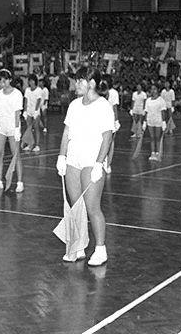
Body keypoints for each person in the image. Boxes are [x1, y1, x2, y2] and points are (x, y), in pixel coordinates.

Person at [56, 66, 114, 266]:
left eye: (79, 80)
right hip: (73, 159)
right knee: (75, 207)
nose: (75, 84)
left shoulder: (103, 106)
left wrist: (99, 163)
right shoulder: (74, 105)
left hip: (91, 160)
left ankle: (100, 249)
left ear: (91, 83)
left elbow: (107, 137)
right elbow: (67, 132)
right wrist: (62, 157)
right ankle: (78, 246)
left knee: (92, 207)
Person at [0, 69, 24, 192]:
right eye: (0, 81)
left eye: (5, 80)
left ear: (10, 80)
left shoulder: (17, 94)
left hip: (13, 127)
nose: (3, 84)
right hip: (0, 127)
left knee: (15, 156)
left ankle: (19, 182)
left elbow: (17, 113)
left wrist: (17, 129)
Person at [144, 85, 168, 161]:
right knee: (152, 138)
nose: (153, 91)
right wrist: (144, 122)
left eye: (154, 89)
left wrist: (164, 122)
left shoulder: (161, 100)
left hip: (158, 121)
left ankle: (158, 153)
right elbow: (146, 111)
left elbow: (163, 112)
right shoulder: (148, 100)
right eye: (151, 89)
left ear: (158, 90)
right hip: (150, 121)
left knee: (157, 138)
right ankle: (153, 153)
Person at [22, 74, 42, 152]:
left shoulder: (38, 90)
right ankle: (30, 144)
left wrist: (36, 111)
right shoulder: (27, 90)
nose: (30, 82)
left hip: (35, 111)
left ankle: (37, 145)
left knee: (36, 128)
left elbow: (39, 100)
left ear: (35, 81)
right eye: (29, 81)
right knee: (29, 128)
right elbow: (26, 100)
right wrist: (25, 111)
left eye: (32, 80)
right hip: (29, 111)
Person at [105, 76, 120, 169]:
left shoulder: (114, 92)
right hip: (101, 119)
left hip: (110, 120)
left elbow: (114, 108)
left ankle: (108, 164)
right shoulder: (99, 91)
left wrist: (116, 120)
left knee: (110, 142)